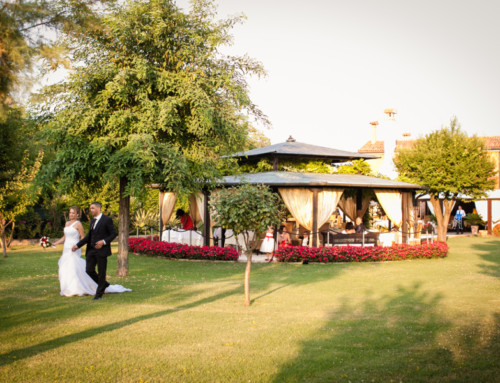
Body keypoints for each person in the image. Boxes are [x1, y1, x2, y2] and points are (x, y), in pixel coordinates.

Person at [55, 206, 130, 298]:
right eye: (70, 213)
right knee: (87, 270)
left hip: (99, 249)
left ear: (98, 208)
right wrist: (76, 245)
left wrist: (103, 242)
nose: (90, 210)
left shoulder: (105, 220)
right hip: (76, 249)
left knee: (99, 271)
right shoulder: (92, 221)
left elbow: (112, 233)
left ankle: (98, 293)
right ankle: (100, 284)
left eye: (92, 208)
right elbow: (86, 237)